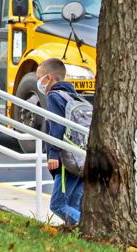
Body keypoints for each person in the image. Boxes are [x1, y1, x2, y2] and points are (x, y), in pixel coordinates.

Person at [37, 57, 84, 226]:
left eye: (39, 79)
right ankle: (79, 233)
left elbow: (57, 126)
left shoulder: (54, 96)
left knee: (58, 204)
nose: (39, 83)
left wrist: (53, 153)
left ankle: (86, 228)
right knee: (73, 203)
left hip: (66, 161)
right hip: (80, 158)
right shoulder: (74, 96)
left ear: (48, 78)